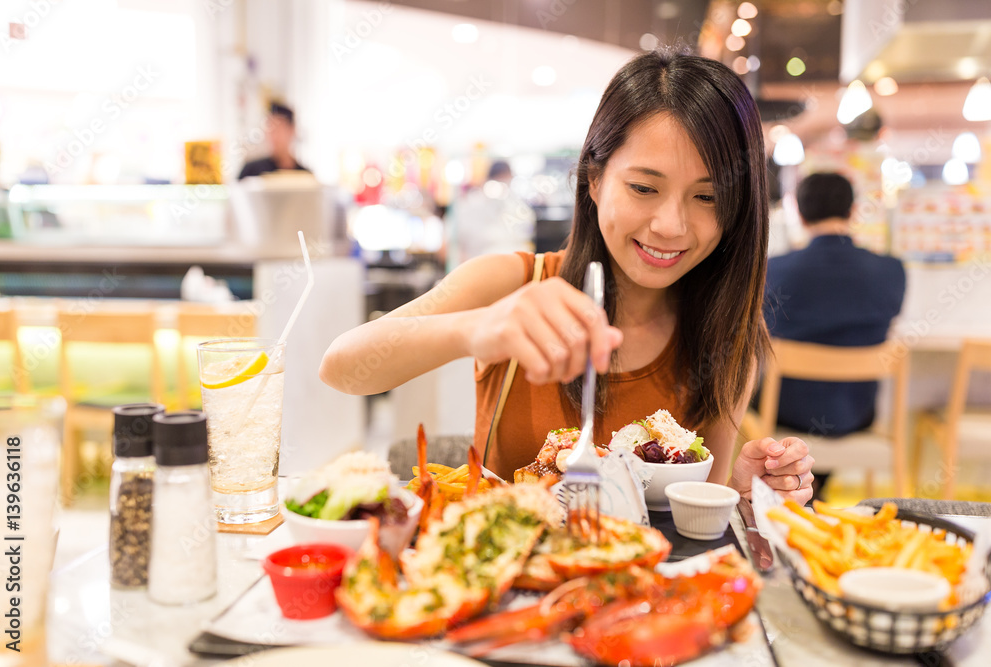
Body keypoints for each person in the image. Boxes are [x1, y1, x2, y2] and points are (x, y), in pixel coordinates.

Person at [321, 52, 815, 505]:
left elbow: (691, 513)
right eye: (644, 187)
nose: (671, 225)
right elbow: (342, 367)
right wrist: (478, 327)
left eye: (706, 197)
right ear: (595, 179)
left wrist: (742, 496)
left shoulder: (729, 336)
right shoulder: (513, 283)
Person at [763, 172, 906, 494]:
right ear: (853, 210)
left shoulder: (775, 269)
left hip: (787, 413)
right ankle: (815, 489)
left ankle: (804, 490)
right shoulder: (890, 271)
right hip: (855, 413)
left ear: (799, 213)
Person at [445, 160, 535, 270]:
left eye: (506, 182)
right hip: (477, 273)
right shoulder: (468, 207)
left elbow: (526, 243)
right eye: (498, 181)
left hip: (515, 274)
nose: (501, 187)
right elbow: (447, 248)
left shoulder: (519, 209)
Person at [238, 102, 311, 179]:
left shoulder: (305, 176)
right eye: (269, 129)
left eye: (279, 129)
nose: (273, 136)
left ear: (292, 130)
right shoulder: (251, 172)